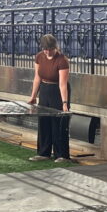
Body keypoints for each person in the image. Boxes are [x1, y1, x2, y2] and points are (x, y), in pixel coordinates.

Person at [27, 34, 71, 163]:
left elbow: (63, 84)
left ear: (55, 47)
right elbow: (37, 77)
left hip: (58, 91)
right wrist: (33, 96)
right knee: (44, 121)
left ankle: (62, 155)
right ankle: (44, 152)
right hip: (45, 90)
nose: (47, 52)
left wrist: (64, 103)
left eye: (50, 49)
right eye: (45, 49)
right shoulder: (39, 56)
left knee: (59, 123)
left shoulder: (62, 60)